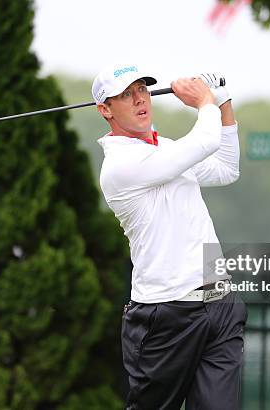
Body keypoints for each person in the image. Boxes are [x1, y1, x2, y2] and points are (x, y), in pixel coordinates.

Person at [92, 63, 246, 410]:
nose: (140, 99)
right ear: (105, 110)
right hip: (166, 315)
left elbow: (226, 168)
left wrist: (222, 101)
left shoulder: (167, 149)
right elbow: (206, 139)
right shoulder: (120, 166)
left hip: (217, 301)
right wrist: (203, 101)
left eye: (143, 90)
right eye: (126, 95)